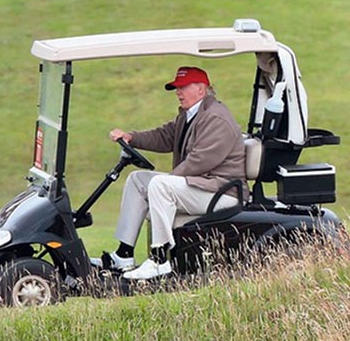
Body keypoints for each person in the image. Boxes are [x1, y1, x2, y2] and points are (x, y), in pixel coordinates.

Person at [95, 66, 247, 280]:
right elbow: (164, 136)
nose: (178, 92)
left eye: (183, 87)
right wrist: (132, 137)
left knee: (160, 184)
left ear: (201, 89)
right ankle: (123, 255)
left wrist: (165, 183)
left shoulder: (216, 119)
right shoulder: (189, 115)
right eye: (177, 87)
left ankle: (159, 260)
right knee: (138, 180)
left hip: (222, 192)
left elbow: (199, 161)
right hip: (203, 186)